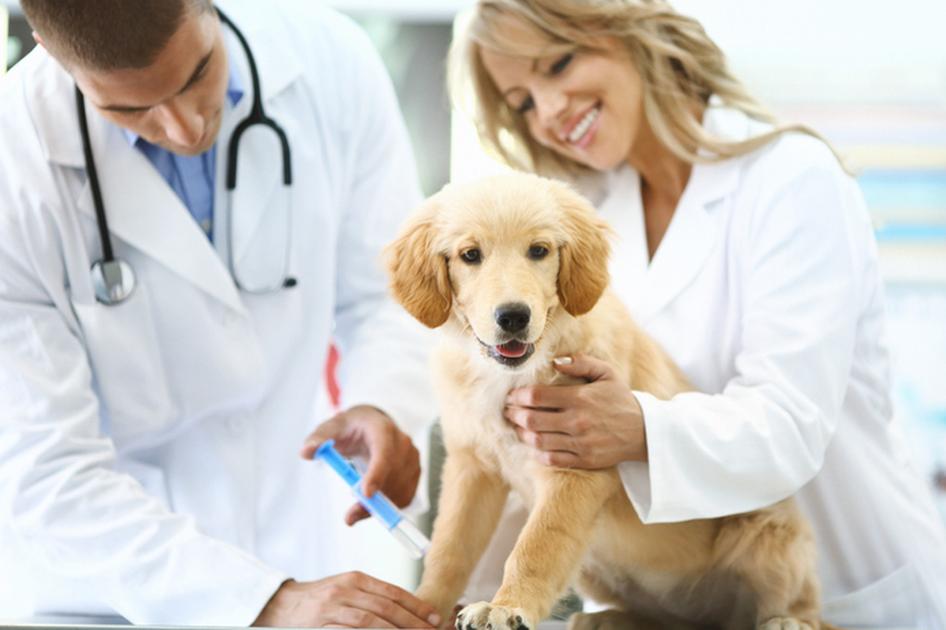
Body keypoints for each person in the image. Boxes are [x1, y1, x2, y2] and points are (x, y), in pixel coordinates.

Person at [447, 0, 946, 627]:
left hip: (840, 587)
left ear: (633, 30)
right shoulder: (578, 218)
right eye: (521, 101)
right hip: (662, 600)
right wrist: (469, 596)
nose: (547, 111)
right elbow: (540, 451)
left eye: (558, 64)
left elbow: (790, 421)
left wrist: (638, 429)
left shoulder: (791, 180)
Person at [0, 0, 442, 627]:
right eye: (129, 108)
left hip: (308, 544)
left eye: (196, 74)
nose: (183, 129)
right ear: (45, 44)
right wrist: (260, 599)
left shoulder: (331, 61)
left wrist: (384, 404)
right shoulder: (12, 169)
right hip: (108, 594)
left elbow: (389, 293)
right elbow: (47, 471)